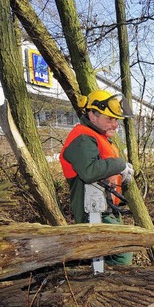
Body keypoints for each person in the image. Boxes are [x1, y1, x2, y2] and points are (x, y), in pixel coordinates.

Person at [59, 89, 135, 265]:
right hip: (93, 212)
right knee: (120, 257)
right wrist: (120, 164)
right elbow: (90, 171)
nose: (115, 125)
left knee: (109, 258)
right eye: (110, 119)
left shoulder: (97, 137)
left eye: (116, 119)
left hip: (105, 210)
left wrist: (120, 175)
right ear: (92, 115)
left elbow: (102, 172)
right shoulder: (82, 137)